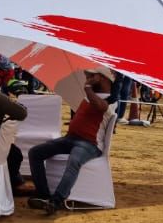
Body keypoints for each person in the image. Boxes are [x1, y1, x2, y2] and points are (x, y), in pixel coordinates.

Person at [28, 70, 113, 214]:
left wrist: (88, 87)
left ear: (103, 78)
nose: (88, 78)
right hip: (71, 139)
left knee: (74, 161)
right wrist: (89, 87)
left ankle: (56, 201)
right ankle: (43, 194)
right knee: (35, 153)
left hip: (90, 144)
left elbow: (100, 106)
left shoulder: (110, 100)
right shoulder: (90, 96)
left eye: (92, 76)